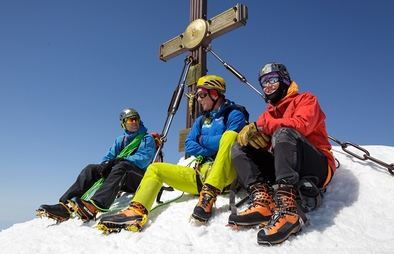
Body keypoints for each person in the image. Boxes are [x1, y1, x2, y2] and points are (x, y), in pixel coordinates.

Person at [97, 75, 247, 232]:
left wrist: (201, 139)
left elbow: (230, 142)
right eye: (197, 96)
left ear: (215, 94)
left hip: (227, 175)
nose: (199, 99)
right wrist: (215, 144)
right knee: (156, 169)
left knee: (229, 136)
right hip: (200, 174)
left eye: (202, 94)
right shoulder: (200, 120)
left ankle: (209, 196)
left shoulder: (234, 114)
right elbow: (189, 145)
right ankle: (136, 211)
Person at [227, 63, 336, 245]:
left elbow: (301, 125)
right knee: (240, 146)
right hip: (286, 165)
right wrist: (256, 141)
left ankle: (289, 210)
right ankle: (262, 202)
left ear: (284, 80)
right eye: (263, 83)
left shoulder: (306, 100)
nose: (267, 86)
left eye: (272, 80)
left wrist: (262, 127)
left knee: (284, 132)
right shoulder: (267, 114)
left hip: (317, 165)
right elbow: (264, 143)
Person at [37, 108, 156, 223]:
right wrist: (104, 165)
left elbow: (144, 158)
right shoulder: (121, 140)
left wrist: (120, 160)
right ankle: (65, 206)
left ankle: (95, 205)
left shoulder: (146, 138)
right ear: (123, 124)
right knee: (91, 168)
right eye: (130, 120)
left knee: (123, 165)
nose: (134, 122)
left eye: (136, 119)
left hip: (138, 178)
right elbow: (109, 157)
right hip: (121, 177)